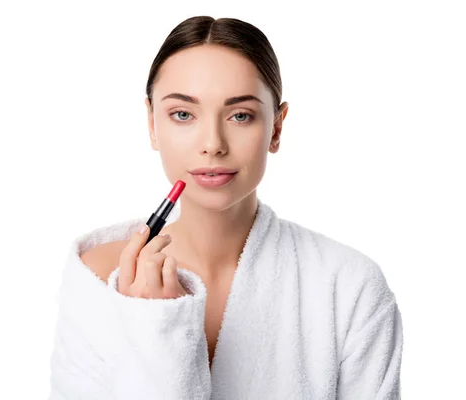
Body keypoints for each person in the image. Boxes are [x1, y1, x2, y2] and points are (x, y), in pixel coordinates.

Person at [48, 15, 403, 399]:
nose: (213, 143)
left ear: (276, 128)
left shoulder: (349, 288)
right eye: (183, 114)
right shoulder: (98, 279)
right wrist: (153, 327)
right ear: (152, 123)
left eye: (240, 116)